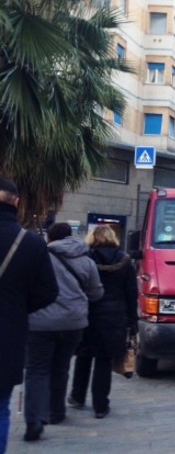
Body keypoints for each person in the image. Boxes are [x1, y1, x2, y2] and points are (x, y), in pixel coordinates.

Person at [23, 222, 102, 442]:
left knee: (36, 370)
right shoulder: (86, 260)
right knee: (61, 368)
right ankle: (56, 412)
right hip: (73, 323)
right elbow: (96, 293)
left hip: (39, 322)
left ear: (50, 238)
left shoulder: (38, 258)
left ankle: (34, 420)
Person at [0, 178, 58, 453]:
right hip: (8, 335)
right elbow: (48, 291)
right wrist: (18, 307)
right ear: (17, 203)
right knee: (0, 408)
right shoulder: (31, 243)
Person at [69, 225, 137, 419]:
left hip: (89, 315)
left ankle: (77, 396)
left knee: (83, 357)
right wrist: (132, 320)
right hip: (115, 317)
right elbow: (131, 293)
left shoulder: (86, 260)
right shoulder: (125, 261)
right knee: (104, 361)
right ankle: (100, 406)